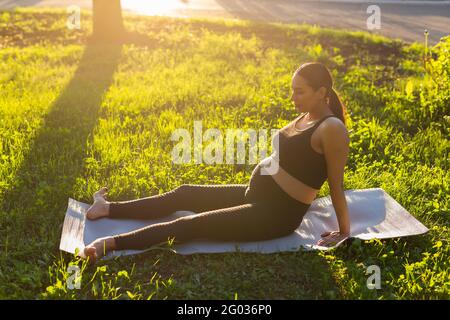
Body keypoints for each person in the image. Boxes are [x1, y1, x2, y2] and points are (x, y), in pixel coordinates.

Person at [83, 62, 351, 263]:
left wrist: (344, 231)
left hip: (276, 214)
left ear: (321, 92)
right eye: (292, 90)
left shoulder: (332, 128)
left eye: (300, 92)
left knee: (192, 225)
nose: (293, 98)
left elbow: (336, 186)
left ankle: (112, 244)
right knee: (185, 193)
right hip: (257, 194)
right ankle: (108, 208)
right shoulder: (307, 116)